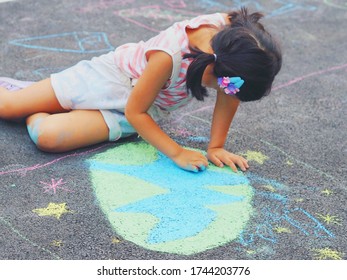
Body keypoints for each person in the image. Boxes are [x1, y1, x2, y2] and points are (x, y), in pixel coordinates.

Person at [0, 7, 282, 173]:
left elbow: (229, 92)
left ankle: (38, 105)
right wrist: (176, 153)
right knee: (8, 108)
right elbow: (137, 112)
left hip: (143, 107)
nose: (226, 92)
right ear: (216, 71)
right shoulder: (168, 56)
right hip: (110, 78)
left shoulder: (233, 47)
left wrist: (216, 146)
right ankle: (26, 97)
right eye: (226, 86)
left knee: (47, 137)